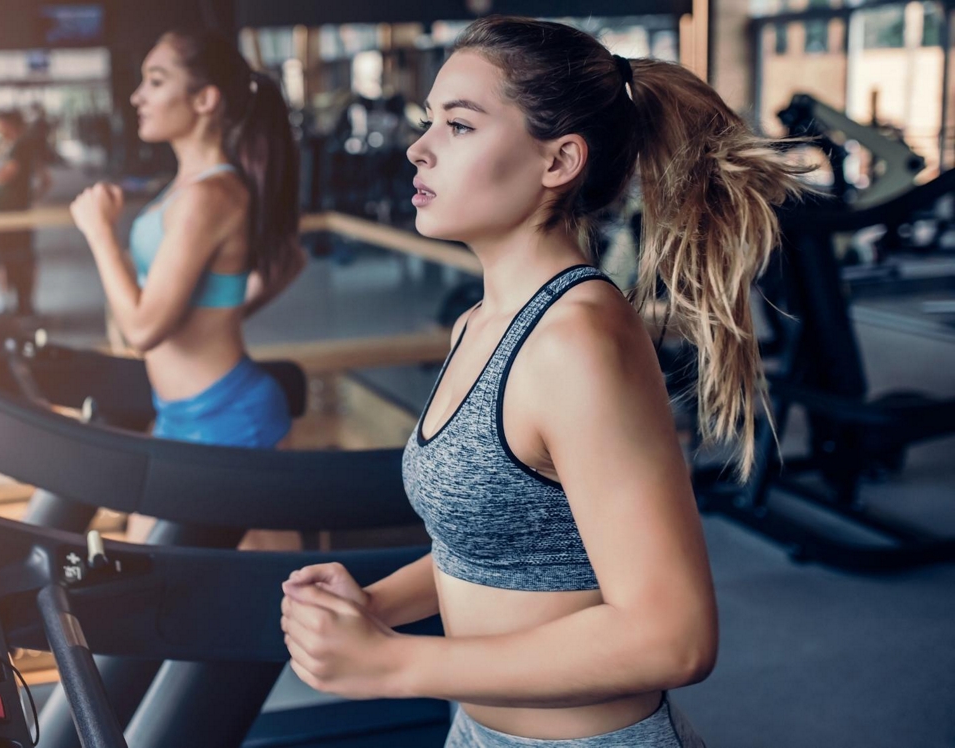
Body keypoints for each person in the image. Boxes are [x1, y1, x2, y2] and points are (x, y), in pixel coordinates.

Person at [280, 16, 808, 747]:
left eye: (459, 125)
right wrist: (374, 606)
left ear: (558, 161)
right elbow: (497, 546)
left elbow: (675, 638)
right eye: (429, 120)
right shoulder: (479, 324)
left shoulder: (576, 339)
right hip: (478, 732)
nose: (418, 147)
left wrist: (398, 664)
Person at [69, 30, 307, 544]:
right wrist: (219, 317)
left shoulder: (212, 194)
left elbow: (143, 329)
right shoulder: (184, 190)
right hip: (176, 416)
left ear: (204, 99)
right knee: (147, 580)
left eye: (155, 81)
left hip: (232, 424)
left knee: (259, 602)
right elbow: (287, 265)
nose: (138, 96)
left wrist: (99, 231)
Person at [0, 108, 50, 317]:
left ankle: (23, 304)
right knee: (5, 258)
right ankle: (10, 303)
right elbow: (45, 179)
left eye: (0, 125)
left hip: (12, 212)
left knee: (18, 258)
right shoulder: (7, 145)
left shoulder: (22, 146)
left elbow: (4, 176)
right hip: (5, 209)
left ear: (10, 124)